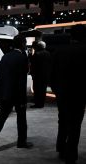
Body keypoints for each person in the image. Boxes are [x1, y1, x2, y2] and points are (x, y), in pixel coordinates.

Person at [0, 34, 33, 152]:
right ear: (22, 44)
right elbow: (22, 81)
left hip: (4, 93)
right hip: (17, 94)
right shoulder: (23, 58)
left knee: (1, 117)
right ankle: (21, 142)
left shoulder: (5, 57)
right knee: (21, 119)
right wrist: (23, 99)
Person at [51, 24, 86, 164]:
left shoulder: (59, 51)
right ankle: (71, 156)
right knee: (75, 125)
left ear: (71, 36)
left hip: (62, 94)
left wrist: (57, 90)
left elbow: (52, 75)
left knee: (63, 121)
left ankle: (60, 148)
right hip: (79, 94)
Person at [29, 40, 52, 108]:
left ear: (39, 46)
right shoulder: (48, 53)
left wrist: (30, 54)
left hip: (38, 75)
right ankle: (42, 103)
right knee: (43, 89)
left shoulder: (37, 54)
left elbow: (33, 63)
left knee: (37, 89)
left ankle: (37, 103)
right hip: (45, 75)